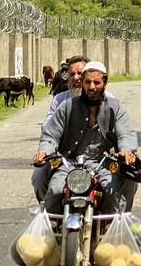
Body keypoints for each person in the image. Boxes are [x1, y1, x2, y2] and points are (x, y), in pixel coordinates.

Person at [32, 61, 140, 214]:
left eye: (97, 82)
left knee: (111, 192)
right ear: (82, 83)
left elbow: (126, 133)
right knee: (55, 191)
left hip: (102, 163)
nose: (92, 87)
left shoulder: (115, 108)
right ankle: (53, 229)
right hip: (69, 163)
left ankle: (111, 228)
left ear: (105, 84)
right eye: (88, 82)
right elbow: (51, 134)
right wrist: (44, 151)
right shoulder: (67, 106)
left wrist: (127, 151)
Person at [31, 54, 114, 201]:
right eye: (72, 74)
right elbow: (48, 129)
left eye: (80, 74)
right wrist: (46, 151)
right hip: (65, 157)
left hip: (100, 157)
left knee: (129, 175)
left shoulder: (110, 101)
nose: (76, 78)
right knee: (39, 176)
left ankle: (119, 216)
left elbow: (122, 132)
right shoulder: (60, 100)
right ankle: (50, 215)